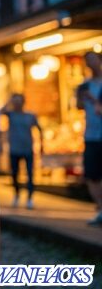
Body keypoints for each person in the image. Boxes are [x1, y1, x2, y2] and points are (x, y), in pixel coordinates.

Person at [1, 94, 42, 209]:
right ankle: (16, 194)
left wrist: (42, 145)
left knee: (30, 174)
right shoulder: (11, 114)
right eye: (15, 102)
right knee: (14, 174)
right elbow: (1, 111)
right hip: (14, 149)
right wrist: (9, 101)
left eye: (19, 101)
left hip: (28, 149)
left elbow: (39, 129)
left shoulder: (30, 115)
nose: (17, 104)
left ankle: (29, 198)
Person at [77, 51, 102, 226]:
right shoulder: (83, 86)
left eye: (93, 59)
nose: (91, 63)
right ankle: (100, 208)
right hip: (91, 135)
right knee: (92, 175)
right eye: (88, 61)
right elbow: (78, 106)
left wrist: (94, 101)